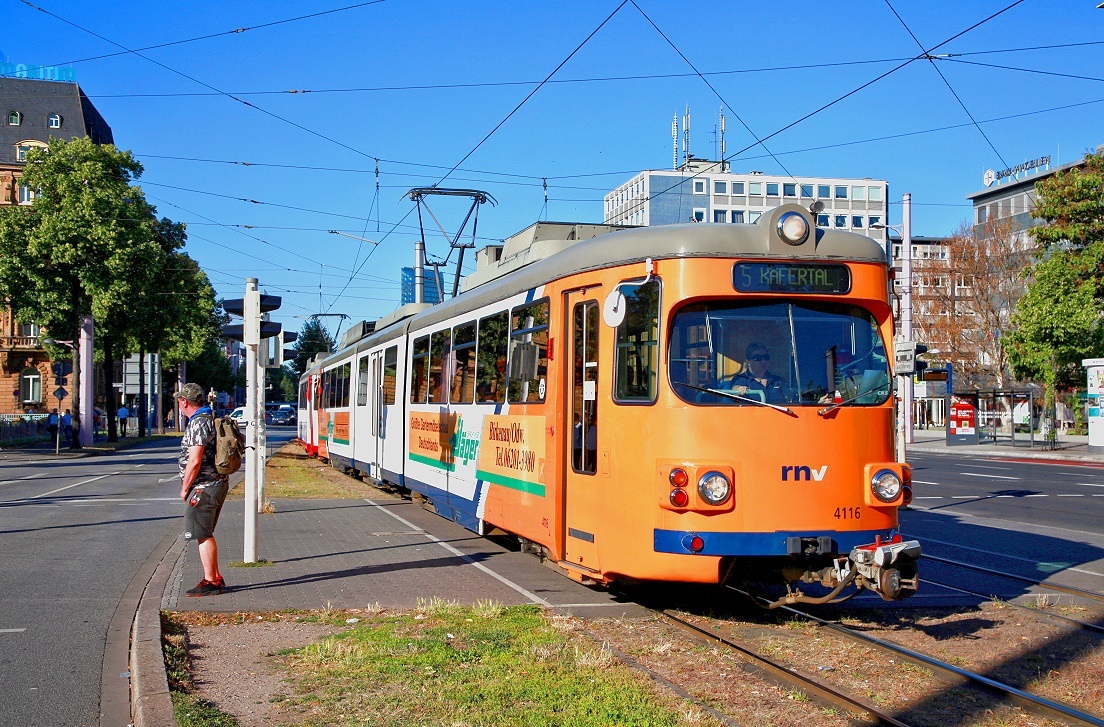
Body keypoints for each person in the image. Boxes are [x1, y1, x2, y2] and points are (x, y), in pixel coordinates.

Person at [175, 382, 229, 597]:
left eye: (180, 400)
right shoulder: (208, 417)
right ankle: (214, 576)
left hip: (204, 486)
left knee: (202, 534)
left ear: (184, 401)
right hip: (214, 483)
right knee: (204, 532)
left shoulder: (198, 423)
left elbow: (195, 460)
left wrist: (185, 487)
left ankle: (211, 581)